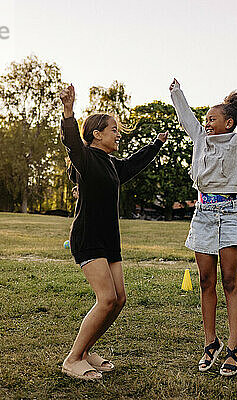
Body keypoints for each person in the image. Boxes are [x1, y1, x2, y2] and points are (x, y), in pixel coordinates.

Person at [169, 57, 237, 376]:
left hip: (228, 212)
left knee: (229, 280)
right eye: (206, 118)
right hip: (202, 213)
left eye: (213, 118)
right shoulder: (201, 139)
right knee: (205, 280)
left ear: (229, 123)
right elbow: (186, 119)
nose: (207, 122)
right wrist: (177, 93)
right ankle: (210, 343)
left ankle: (233, 346)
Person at [59, 84, 167, 380]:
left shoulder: (111, 164)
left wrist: (156, 144)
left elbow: (134, 164)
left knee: (119, 299)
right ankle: (72, 359)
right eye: (114, 130)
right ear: (97, 134)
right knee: (106, 299)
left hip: (109, 241)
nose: (118, 134)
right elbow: (70, 142)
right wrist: (69, 111)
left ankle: (87, 351)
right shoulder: (85, 158)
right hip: (88, 238)